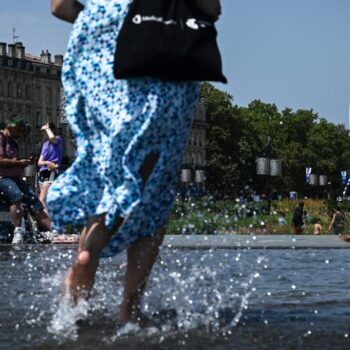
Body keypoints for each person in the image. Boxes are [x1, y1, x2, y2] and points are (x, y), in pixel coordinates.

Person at [49, 0, 222, 325]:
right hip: (158, 52)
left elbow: (59, 7)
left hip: (97, 53)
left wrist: (104, 20)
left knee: (108, 173)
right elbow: (210, 9)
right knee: (153, 187)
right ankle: (129, 310)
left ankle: (89, 250)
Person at [0, 116, 51, 244]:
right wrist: (18, 163)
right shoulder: (1, 139)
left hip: (15, 177)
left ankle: (51, 231)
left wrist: (25, 163)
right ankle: (18, 231)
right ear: (10, 127)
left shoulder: (13, 141)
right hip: (3, 178)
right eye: (18, 130)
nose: (20, 134)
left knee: (33, 200)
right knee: (15, 194)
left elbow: (13, 161)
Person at [37, 122, 63, 215]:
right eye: (43, 131)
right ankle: (48, 223)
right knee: (45, 199)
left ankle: (48, 225)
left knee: (42, 200)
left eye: (45, 131)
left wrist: (47, 128)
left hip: (51, 171)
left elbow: (52, 138)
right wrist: (46, 162)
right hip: (43, 171)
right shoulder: (45, 144)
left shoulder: (58, 139)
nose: (44, 133)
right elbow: (39, 162)